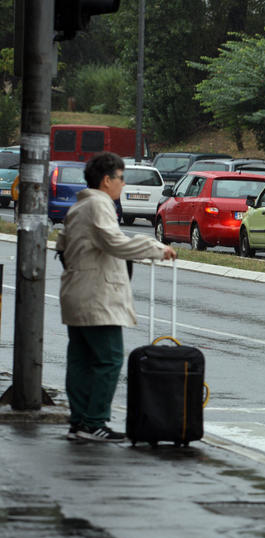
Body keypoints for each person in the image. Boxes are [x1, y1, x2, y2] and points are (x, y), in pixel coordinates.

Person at [56, 152, 177, 442]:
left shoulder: (79, 205)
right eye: (121, 178)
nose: (123, 184)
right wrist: (156, 249)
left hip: (76, 293)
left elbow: (62, 246)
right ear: (107, 179)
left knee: (81, 360)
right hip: (97, 297)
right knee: (108, 359)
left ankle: (79, 422)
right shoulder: (99, 204)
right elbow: (113, 242)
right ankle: (94, 421)